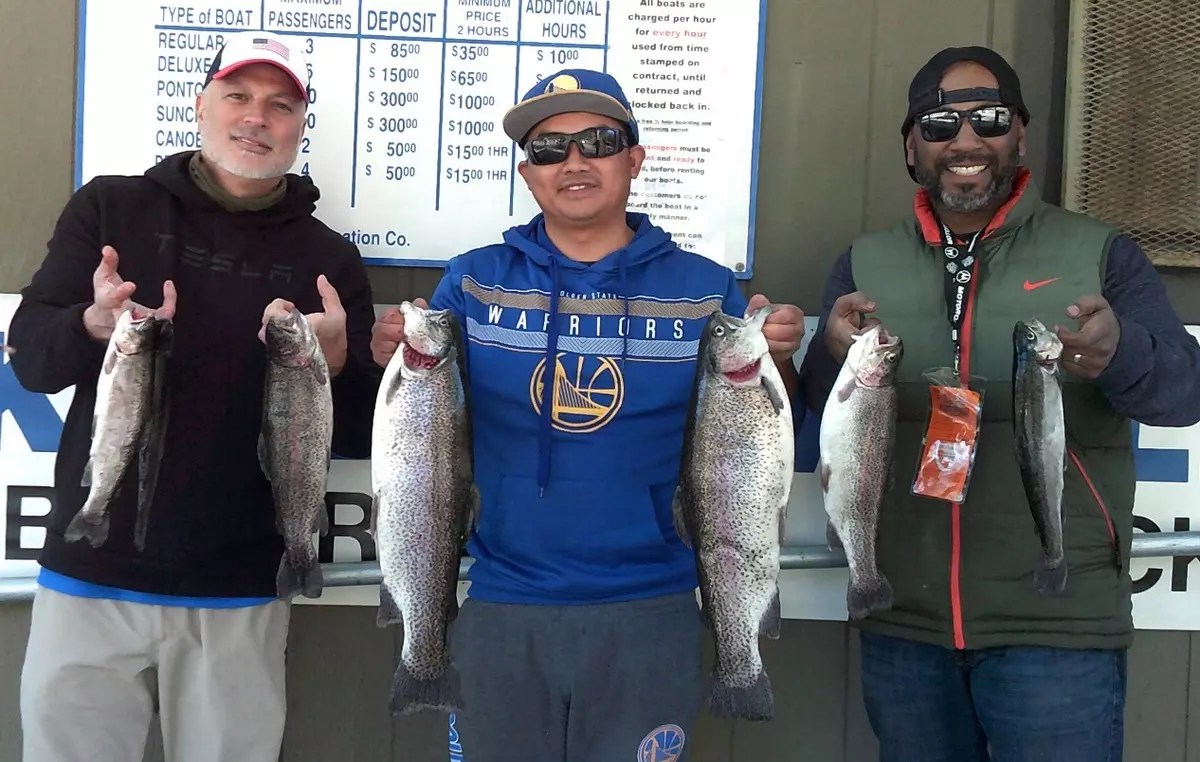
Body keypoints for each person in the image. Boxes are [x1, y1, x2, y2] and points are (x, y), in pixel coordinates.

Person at [370, 69, 805, 761]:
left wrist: (779, 359)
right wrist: (385, 351)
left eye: (598, 141)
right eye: (549, 149)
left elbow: (763, 440)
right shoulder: (474, 282)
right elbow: (419, 426)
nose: (574, 162)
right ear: (527, 172)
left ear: (634, 159)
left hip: (653, 609)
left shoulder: (706, 292)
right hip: (504, 602)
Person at [799, 46, 1200, 762]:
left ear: (1019, 134)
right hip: (905, 623)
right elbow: (811, 430)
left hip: (1056, 626)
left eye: (988, 120)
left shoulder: (1100, 253)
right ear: (910, 146)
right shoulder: (863, 264)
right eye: (939, 124)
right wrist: (826, 357)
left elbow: (1183, 393)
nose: (965, 142)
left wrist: (1122, 355)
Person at [10, 30, 379, 762]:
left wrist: (336, 365)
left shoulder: (329, 260)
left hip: (239, 585)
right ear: (201, 103)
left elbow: (366, 436)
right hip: (91, 575)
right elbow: (32, 361)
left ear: (301, 126)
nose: (256, 117)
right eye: (238, 95)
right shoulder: (111, 211)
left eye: (280, 104)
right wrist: (92, 323)